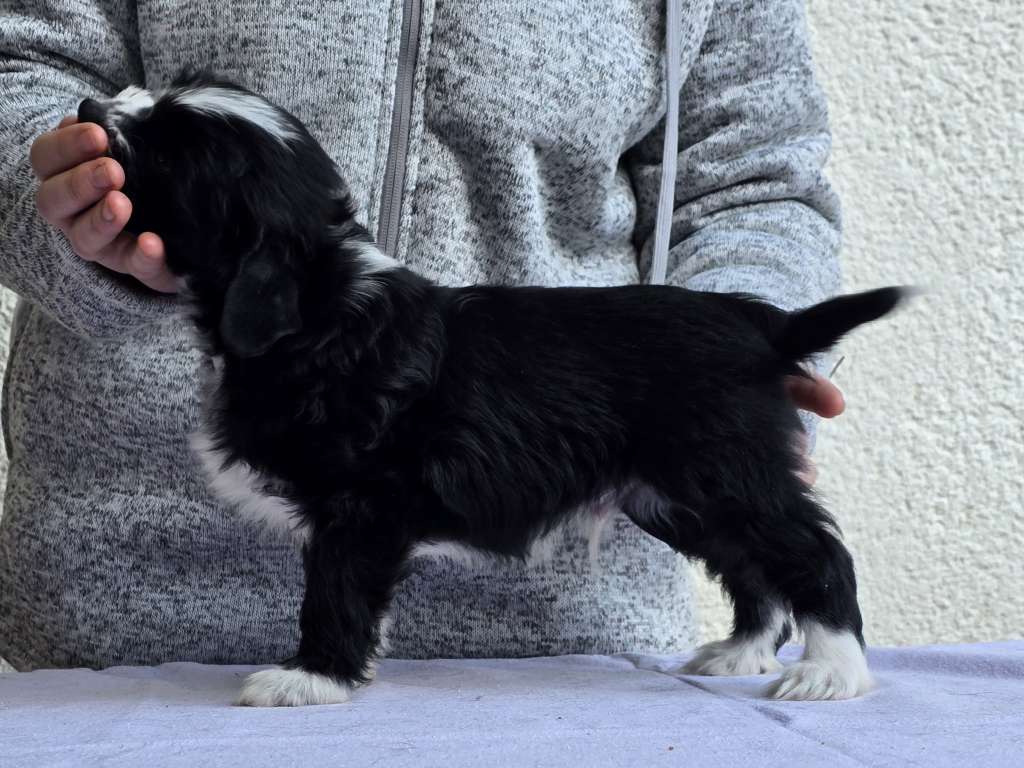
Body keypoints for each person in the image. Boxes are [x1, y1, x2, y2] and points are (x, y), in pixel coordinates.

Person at [0, 0, 844, 670]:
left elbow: (751, 176)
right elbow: (18, 70)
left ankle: (792, 619)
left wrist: (731, 373)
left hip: (570, 654)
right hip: (116, 623)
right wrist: (72, 219)